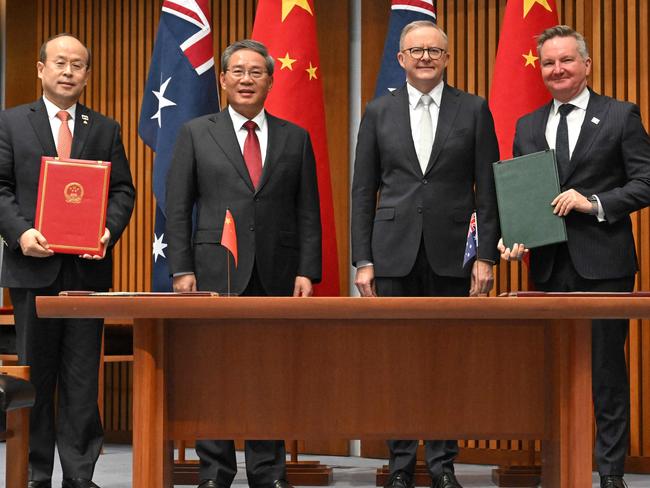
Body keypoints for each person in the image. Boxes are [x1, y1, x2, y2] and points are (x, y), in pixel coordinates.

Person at [165, 39, 322, 488]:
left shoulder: (295, 137)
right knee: (212, 371)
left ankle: (268, 471)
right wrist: (181, 268)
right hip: (214, 273)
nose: (246, 79)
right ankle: (215, 470)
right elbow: (178, 207)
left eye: (256, 72)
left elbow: (308, 210)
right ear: (223, 79)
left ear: (270, 80)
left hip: (277, 273)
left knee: (269, 374)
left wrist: (307, 270)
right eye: (238, 71)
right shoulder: (197, 132)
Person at [499, 25, 650, 488]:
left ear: (586, 64)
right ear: (540, 69)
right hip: (547, 266)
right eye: (548, 62)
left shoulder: (620, 115)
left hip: (604, 265)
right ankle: (557, 466)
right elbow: (522, 195)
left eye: (566, 60)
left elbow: (645, 182)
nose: (557, 69)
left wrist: (595, 202)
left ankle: (609, 473)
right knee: (551, 374)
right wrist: (515, 237)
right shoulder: (526, 125)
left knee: (606, 372)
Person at [351, 20, 499, 488]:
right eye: (416, 51)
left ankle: (443, 466)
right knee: (396, 362)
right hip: (391, 254)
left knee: (446, 361)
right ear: (401, 59)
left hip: (454, 253)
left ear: (447, 58)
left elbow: (487, 190)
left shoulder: (473, 110)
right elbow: (363, 191)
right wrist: (363, 259)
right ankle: (398, 467)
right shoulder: (377, 111)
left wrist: (486, 256)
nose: (425, 58)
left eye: (434, 51)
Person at [0, 33, 135, 488]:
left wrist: (108, 230)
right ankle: (37, 474)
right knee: (35, 379)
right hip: (31, 269)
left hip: (85, 273)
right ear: (40, 69)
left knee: (81, 382)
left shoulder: (105, 129)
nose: (68, 72)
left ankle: (80, 476)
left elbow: (122, 192)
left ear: (87, 75)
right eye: (59, 63)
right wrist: (21, 233)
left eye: (78, 65)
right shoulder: (11, 122)